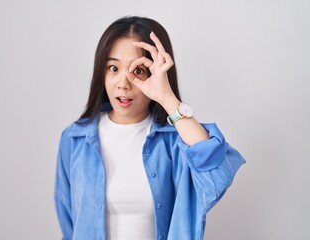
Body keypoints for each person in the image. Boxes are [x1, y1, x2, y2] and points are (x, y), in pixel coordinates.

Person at [54, 16, 245, 240]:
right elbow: (68, 222)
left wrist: (166, 97)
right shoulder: (74, 139)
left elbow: (216, 174)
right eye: (113, 68)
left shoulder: (177, 141)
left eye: (138, 71)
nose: (123, 83)